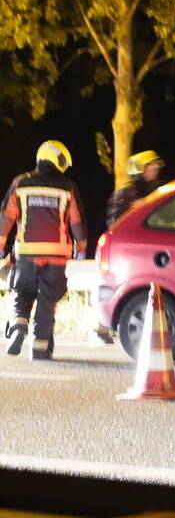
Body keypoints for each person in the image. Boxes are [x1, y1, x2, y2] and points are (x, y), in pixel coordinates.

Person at [0, 141, 87, 360]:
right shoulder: (68, 186)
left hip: (27, 252)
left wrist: (1, 245)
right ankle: (40, 349)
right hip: (57, 255)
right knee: (47, 300)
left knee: (22, 292)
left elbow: (7, 216)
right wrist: (81, 245)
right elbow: (77, 220)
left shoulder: (21, 182)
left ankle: (19, 327)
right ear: (58, 160)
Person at [106, 150, 165, 226]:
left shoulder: (155, 190)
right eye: (151, 163)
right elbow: (114, 225)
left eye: (156, 163)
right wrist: (132, 211)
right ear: (140, 169)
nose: (157, 166)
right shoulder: (123, 194)